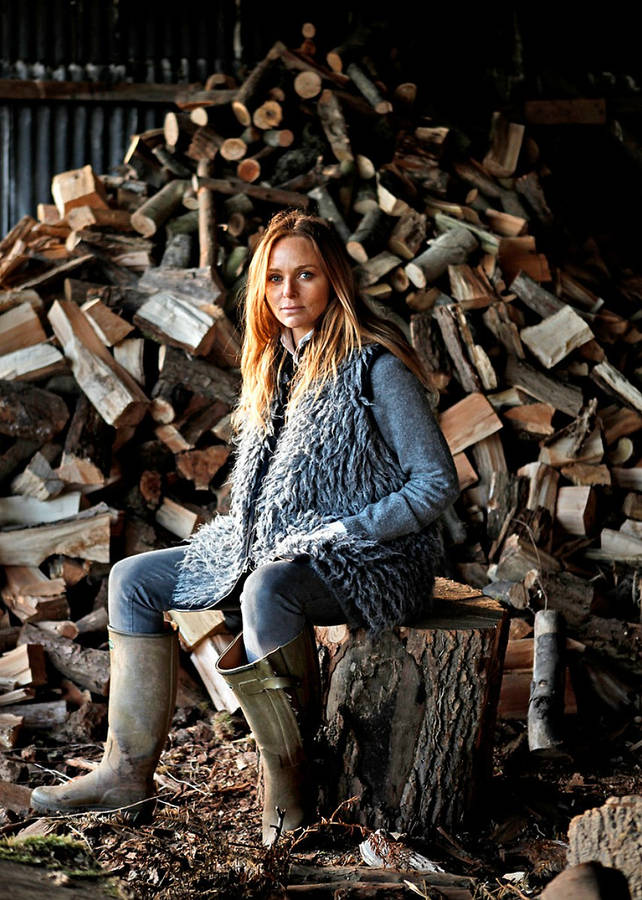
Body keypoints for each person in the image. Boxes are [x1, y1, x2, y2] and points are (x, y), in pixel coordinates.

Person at [31, 209, 460, 845]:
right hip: (265, 544)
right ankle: (125, 772)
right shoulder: (275, 366)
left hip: (369, 557)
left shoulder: (377, 368)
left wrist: (346, 531)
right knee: (131, 580)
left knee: (268, 590)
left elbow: (434, 483)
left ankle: (288, 791)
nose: (287, 293)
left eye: (306, 276)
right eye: (275, 279)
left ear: (335, 279)